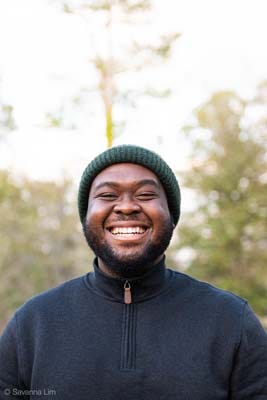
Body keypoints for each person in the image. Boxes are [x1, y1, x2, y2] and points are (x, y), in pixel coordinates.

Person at [0, 144, 267, 400]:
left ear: (172, 216)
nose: (126, 206)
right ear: (85, 217)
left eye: (146, 195)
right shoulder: (32, 325)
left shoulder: (231, 322)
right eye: (107, 195)